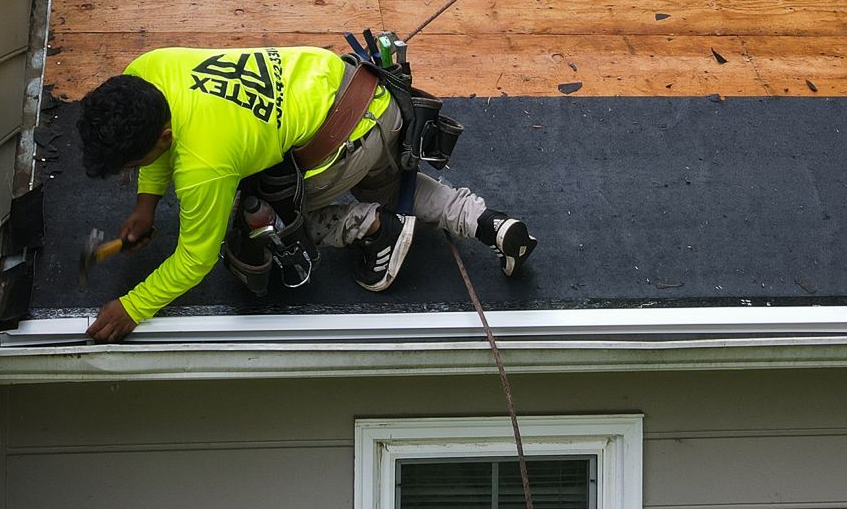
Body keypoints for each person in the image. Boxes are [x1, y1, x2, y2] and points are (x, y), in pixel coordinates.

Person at [77, 45, 535, 342]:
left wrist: (133, 306)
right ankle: (490, 223)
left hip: (340, 144)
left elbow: (194, 261)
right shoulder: (147, 68)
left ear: (161, 138)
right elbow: (160, 142)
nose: (130, 173)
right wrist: (146, 203)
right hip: (368, 93)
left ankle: (372, 227)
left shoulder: (203, 164)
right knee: (396, 184)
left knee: (250, 222)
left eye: (131, 166)